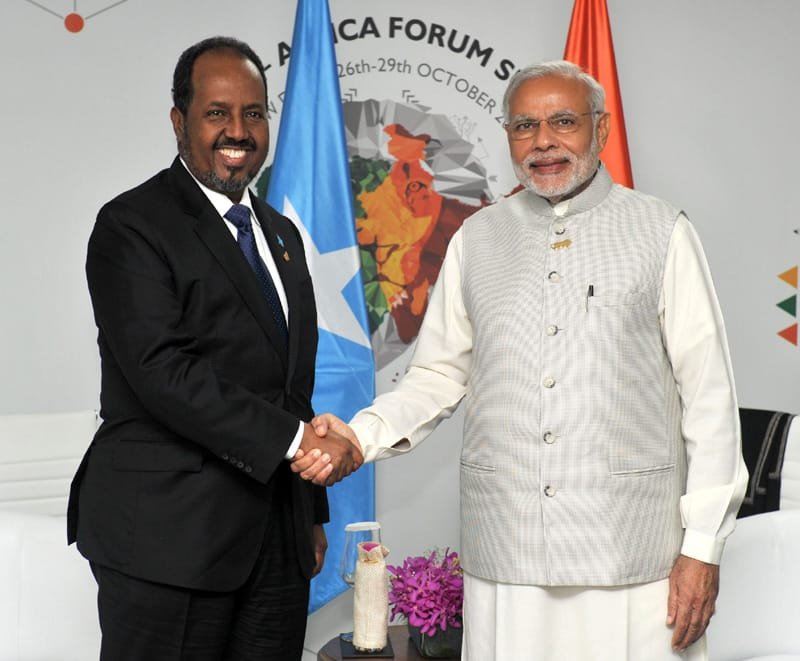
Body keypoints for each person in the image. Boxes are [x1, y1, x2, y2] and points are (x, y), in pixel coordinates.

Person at [299, 60, 748, 660]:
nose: (543, 142)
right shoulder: (477, 239)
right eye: (524, 126)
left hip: (635, 560)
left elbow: (710, 400)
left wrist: (703, 546)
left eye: (563, 122)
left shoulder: (661, 231)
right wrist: (359, 436)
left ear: (601, 129)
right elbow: (436, 375)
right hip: (507, 558)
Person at [67, 36, 362, 661]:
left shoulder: (280, 235)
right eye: (217, 112)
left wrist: (308, 514)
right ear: (180, 121)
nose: (238, 130)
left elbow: (292, 388)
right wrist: (296, 443)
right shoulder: (132, 225)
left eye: (253, 113)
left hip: (274, 544)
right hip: (166, 540)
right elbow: (162, 372)